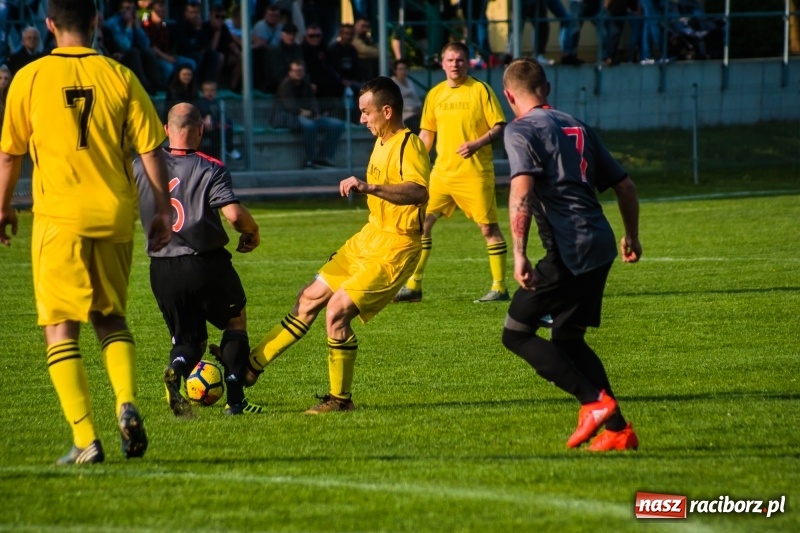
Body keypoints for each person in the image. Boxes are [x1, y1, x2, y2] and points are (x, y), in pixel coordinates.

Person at [0, 0, 173, 465]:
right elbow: (152, 149)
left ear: (50, 25)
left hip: (60, 219)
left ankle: (84, 439)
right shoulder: (120, 75)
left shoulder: (29, 77)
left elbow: (9, 154)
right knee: (110, 318)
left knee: (61, 328)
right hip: (114, 214)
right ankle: (126, 401)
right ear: (96, 24)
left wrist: (2, 209)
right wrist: (160, 211)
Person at [245, 76, 430, 414]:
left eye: (366, 112)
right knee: (309, 297)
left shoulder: (409, 144)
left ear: (386, 111)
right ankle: (251, 366)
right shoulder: (381, 141)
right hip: (369, 236)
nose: (362, 119)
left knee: (337, 312)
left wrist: (369, 187)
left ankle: (340, 400)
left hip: (396, 246)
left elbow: (418, 192)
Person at [500, 58, 641, 451]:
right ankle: (618, 431)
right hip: (601, 244)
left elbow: (522, 192)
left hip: (569, 248)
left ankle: (594, 403)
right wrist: (632, 236)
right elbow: (624, 186)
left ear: (509, 95)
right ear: (547, 88)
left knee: (515, 333)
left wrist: (519, 253)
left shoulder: (521, 129)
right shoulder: (577, 125)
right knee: (568, 338)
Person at [134, 103, 263, 417]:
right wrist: (252, 230)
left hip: (162, 268)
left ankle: (176, 372)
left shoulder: (139, 165)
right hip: (204, 263)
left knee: (190, 339)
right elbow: (233, 215)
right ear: (201, 130)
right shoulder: (210, 167)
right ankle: (235, 402)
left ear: (167, 130)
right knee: (235, 321)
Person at [393, 41, 509, 304]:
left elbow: (500, 126)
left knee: (488, 229)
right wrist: (414, 162)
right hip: (442, 174)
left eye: (460, 60)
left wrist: (477, 143)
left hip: (475, 173)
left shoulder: (481, 90)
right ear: (442, 63)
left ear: (467, 62)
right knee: (421, 225)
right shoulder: (435, 94)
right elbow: (426, 134)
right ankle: (414, 286)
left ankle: (500, 288)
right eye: (450, 60)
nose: (455, 64)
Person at [270, 60, 344, 169]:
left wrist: (315, 113)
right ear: (290, 72)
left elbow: (313, 102)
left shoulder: (306, 84)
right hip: (289, 116)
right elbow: (291, 107)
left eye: (300, 70)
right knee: (310, 126)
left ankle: (323, 158)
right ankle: (310, 160)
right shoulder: (285, 85)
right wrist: (308, 113)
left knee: (338, 125)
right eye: (295, 70)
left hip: (308, 115)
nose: (298, 73)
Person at [197, 79, 241, 160]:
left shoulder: (217, 102)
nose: (209, 93)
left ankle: (228, 148)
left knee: (228, 124)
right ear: (203, 92)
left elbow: (221, 115)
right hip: (205, 128)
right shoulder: (201, 102)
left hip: (217, 126)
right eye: (207, 90)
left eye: (212, 90)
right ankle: (228, 149)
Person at [390, 58, 423, 134]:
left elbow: (416, 98)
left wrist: (419, 107)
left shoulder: (409, 82)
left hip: (416, 113)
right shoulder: (392, 83)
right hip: (404, 117)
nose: (403, 71)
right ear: (395, 71)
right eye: (400, 69)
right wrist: (411, 109)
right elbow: (394, 104)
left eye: (405, 69)